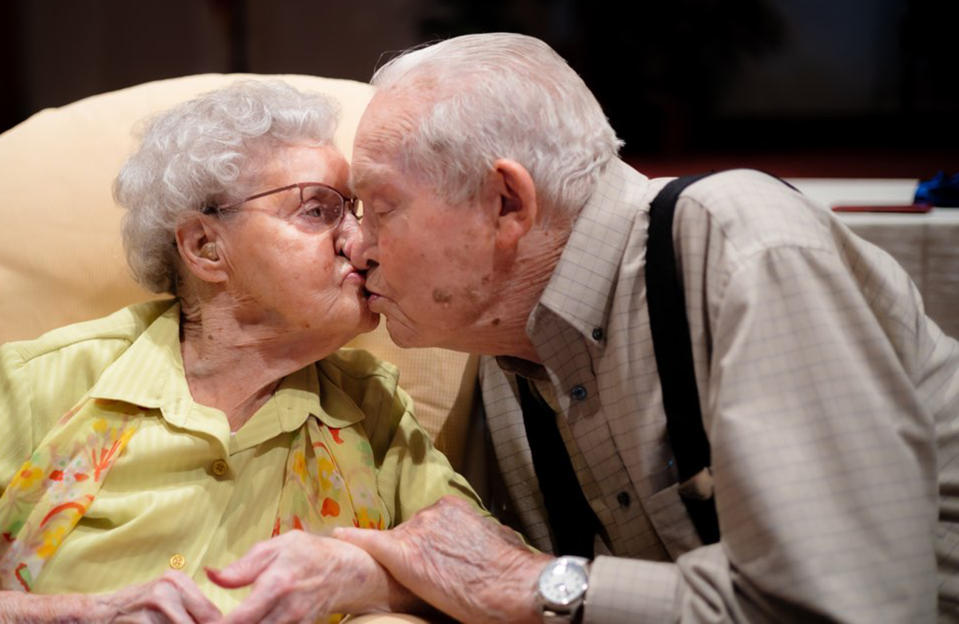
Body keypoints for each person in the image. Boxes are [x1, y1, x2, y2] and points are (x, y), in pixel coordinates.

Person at [334, 33, 959, 622]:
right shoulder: (504, 349)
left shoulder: (741, 245)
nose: (358, 248)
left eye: (381, 208)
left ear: (506, 204)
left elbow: (852, 608)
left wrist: (526, 583)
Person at [0, 80, 485, 623]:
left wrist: (375, 586)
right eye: (319, 211)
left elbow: (490, 578)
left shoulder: (373, 411)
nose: (361, 241)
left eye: (361, 213)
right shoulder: (36, 384)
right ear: (206, 247)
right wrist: (83, 612)